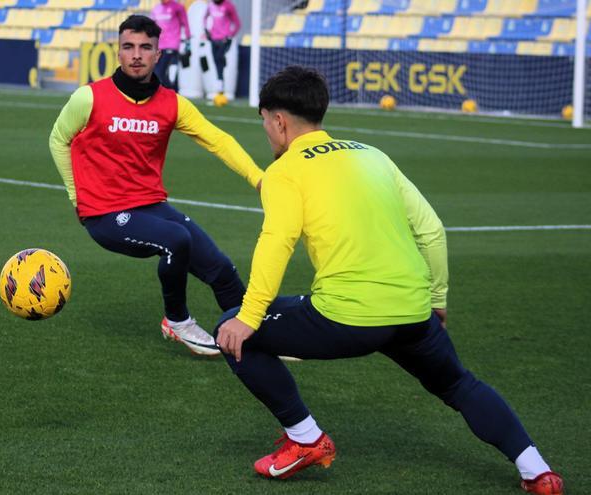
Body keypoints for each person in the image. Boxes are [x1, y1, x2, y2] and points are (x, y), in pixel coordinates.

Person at [214, 66, 564, 495]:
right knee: (457, 383)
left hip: (346, 319)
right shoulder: (371, 154)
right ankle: (538, 470)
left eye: (265, 122)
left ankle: (306, 439)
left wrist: (248, 317)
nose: (267, 132)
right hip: (413, 310)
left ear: (279, 122)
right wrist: (436, 300)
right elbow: (432, 229)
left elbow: (276, 243)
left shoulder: (285, 172)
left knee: (233, 331)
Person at [48, 15, 264, 357]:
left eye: (145, 48)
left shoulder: (172, 104)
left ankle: (256, 339)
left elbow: (217, 140)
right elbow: (58, 140)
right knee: (176, 240)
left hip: (150, 205)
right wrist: (78, 199)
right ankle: (177, 322)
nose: (136, 55)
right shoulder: (88, 98)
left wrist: (259, 178)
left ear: (157, 54)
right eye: (129, 47)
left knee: (221, 268)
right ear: (117, 52)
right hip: (105, 213)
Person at [150, 0, 191, 89]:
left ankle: (170, 93)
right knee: (157, 72)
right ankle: (172, 92)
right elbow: (151, 27)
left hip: (172, 45)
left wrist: (186, 40)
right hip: (159, 46)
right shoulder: (156, 9)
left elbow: (185, 23)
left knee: (161, 72)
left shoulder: (177, 7)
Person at [204, 0, 240, 97]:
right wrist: (206, 31)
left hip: (224, 40)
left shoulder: (228, 5)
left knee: (219, 58)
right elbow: (205, 18)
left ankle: (220, 86)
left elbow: (237, 23)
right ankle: (220, 86)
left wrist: (230, 36)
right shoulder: (210, 5)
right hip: (213, 39)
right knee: (216, 62)